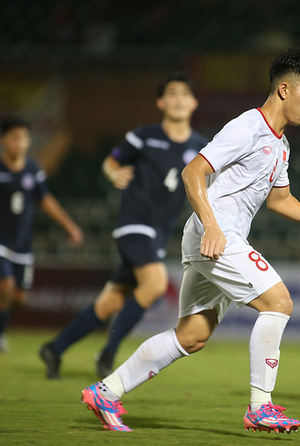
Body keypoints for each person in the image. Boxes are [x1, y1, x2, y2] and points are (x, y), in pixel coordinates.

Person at [79, 48, 300, 433]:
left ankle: (105, 392)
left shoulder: (281, 145)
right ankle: (260, 407)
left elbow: (280, 200)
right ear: (284, 89)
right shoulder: (246, 127)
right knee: (279, 302)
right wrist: (212, 225)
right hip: (216, 234)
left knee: (192, 336)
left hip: (212, 237)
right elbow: (192, 172)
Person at [39, 74, 207, 379]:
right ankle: (108, 353)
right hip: (134, 224)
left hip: (159, 231)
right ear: (161, 102)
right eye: (172, 93)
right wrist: (112, 173)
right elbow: (111, 162)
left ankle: (54, 348)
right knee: (155, 284)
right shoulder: (143, 136)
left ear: (194, 102)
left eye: (185, 94)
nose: (179, 99)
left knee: (110, 303)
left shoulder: (201, 146)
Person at [0, 117, 84, 352]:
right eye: (15, 137)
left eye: (24, 137)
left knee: (18, 298)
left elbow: (45, 200)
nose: (20, 142)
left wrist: (70, 226)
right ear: (2, 140)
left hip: (22, 243)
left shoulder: (32, 169)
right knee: (4, 285)